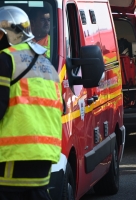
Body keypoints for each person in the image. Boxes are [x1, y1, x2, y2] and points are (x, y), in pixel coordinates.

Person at [0, 6, 62, 199]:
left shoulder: (6, 59)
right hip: (44, 156)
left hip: (13, 155)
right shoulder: (46, 64)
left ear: (7, 33)